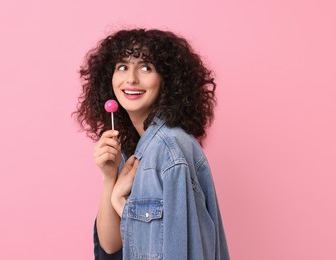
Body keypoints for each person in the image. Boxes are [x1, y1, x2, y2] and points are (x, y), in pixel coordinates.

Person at [74, 28, 230, 260]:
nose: (131, 78)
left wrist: (119, 201)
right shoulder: (137, 148)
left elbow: (174, 250)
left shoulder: (167, 149)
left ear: (167, 80)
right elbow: (111, 244)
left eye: (146, 67)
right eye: (122, 67)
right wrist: (109, 179)